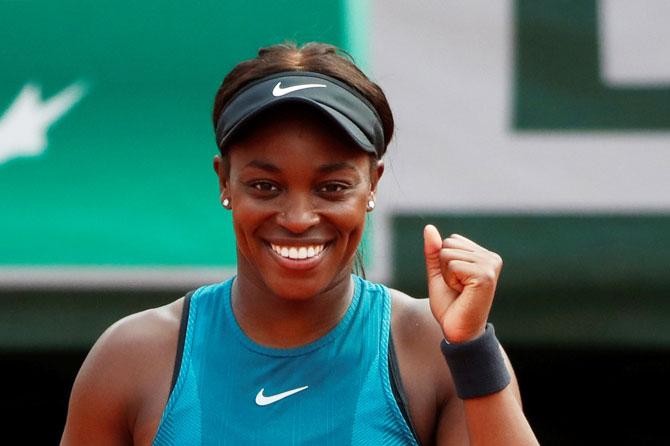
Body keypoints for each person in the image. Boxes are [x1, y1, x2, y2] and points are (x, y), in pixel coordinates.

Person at [61, 42, 539, 445]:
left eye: (332, 188)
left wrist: (472, 350)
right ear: (224, 181)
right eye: (265, 187)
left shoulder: (433, 349)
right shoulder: (133, 358)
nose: (297, 219)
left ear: (372, 185)